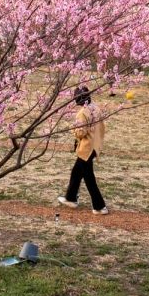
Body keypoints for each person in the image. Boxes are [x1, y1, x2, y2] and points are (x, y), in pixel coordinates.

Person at [57, 86, 108, 214]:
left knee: (89, 178)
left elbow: (81, 133)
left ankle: (99, 206)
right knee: (76, 173)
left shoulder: (82, 113)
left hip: (86, 148)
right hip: (95, 145)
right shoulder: (96, 108)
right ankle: (71, 198)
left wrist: (72, 129)